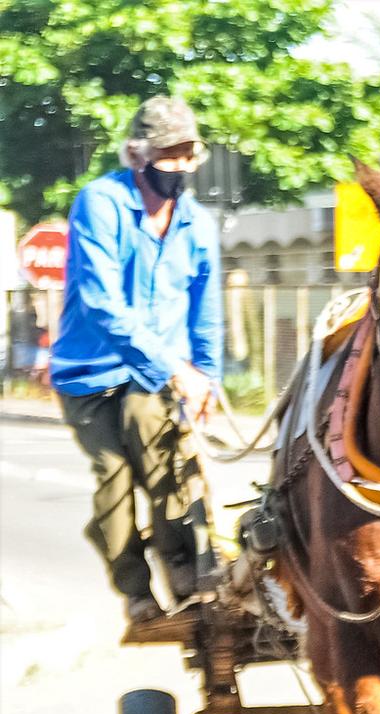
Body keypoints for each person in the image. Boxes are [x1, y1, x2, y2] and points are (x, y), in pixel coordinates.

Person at [49, 95, 222, 625]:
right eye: (168, 155)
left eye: (187, 155)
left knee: (168, 464)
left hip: (156, 375)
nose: (179, 167)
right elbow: (103, 304)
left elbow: (205, 312)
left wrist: (207, 379)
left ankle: (187, 572)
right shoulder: (100, 202)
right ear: (138, 157)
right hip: (90, 374)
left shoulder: (197, 225)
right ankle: (135, 588)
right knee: (115, 481)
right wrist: (177, 369)